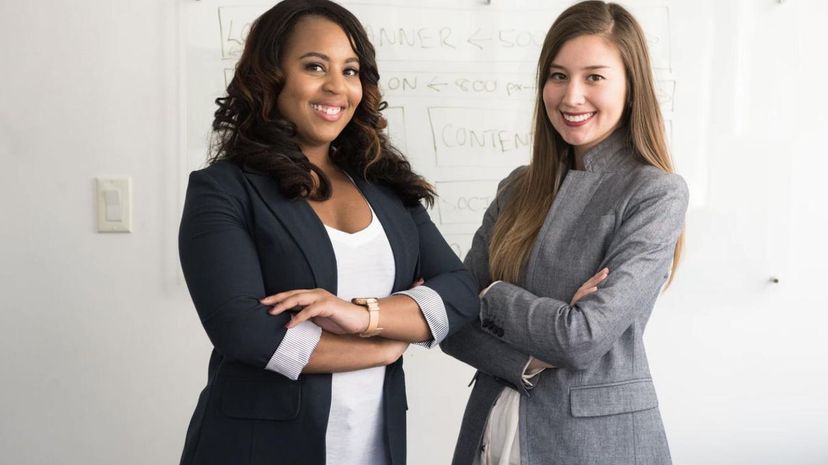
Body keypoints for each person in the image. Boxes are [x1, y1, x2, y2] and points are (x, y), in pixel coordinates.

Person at [177, 1, 479, 464]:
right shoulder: (223, 189)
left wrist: (364, 318)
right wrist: (384, 347)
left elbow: (458, 291)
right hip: (257, 450)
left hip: (373, 446)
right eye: (315, 66)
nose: (337, 86)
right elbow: (246, 332)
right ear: (271, 75)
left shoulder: (385, 186)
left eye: (351, 70)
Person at [440, 2, 688, 464]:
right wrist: (526, 361)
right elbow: (451, 322)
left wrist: (490, 293)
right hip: (492, 426)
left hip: (595, 444)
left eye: (594, 77)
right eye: (558, 76)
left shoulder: (655, 193)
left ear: (631, 88)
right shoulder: (518, 186)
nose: (571, 96)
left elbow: (581, 338)